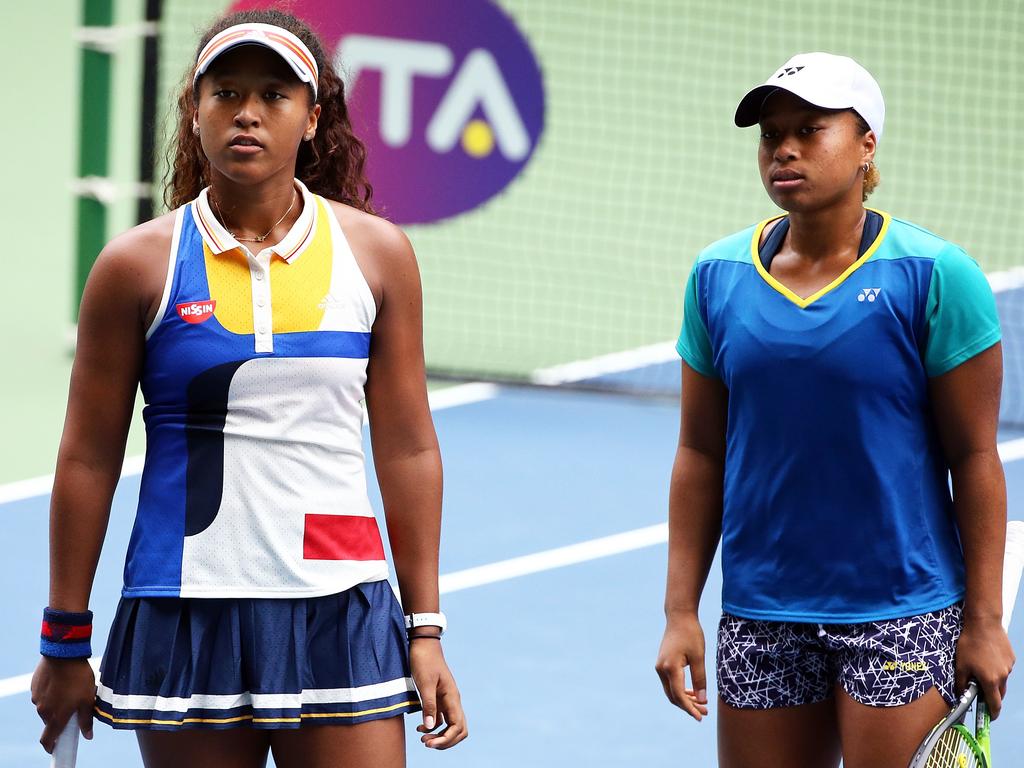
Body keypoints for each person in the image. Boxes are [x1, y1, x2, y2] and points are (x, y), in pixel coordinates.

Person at [31, 9, 466, 767]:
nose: (249, 114)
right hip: (184, 608)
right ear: (195, 113)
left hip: (342, 604)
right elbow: (87, 460)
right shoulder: (136, 265)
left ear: (312, 116)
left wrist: (424, 628)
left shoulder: (377, 255)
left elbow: (407, 447)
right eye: (226, 93)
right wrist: (64, 638)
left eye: (274, 95)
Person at [655, 52, 1014, 767]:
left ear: (866, 147)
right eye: (770, 134)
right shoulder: (718, 277)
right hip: (762, 614)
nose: (783, 149)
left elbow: (974, 457)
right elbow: (699, 451)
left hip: (902, 612)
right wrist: (678, 611)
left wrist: (984, 620)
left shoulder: (935, 275)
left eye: (810, 130)